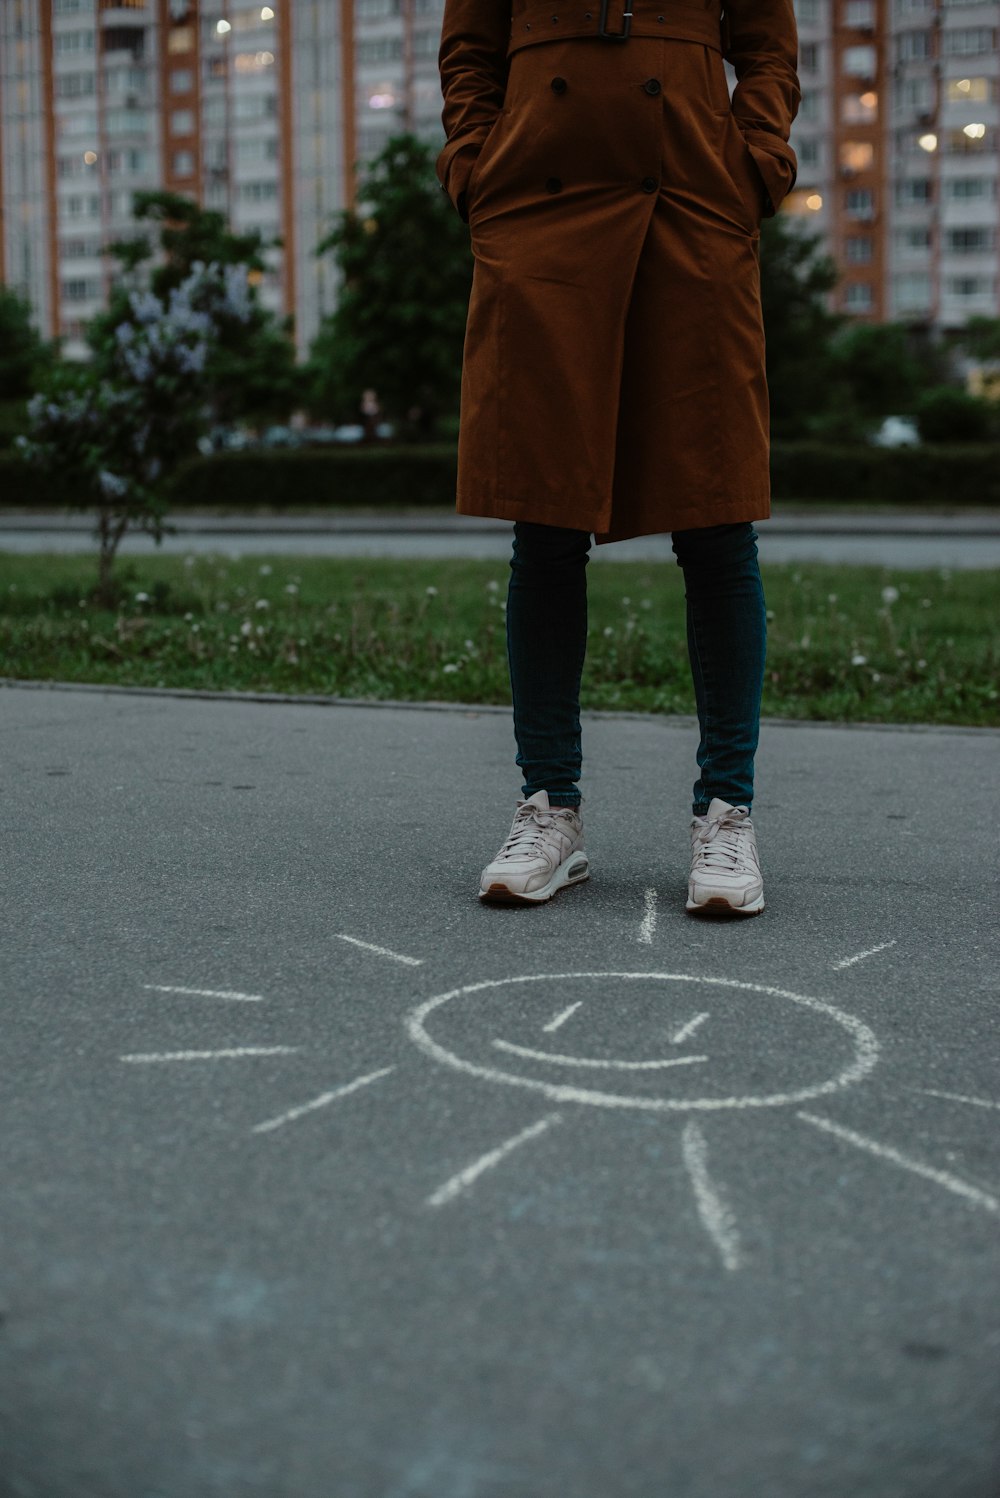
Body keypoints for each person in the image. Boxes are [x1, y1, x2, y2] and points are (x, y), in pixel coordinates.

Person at [436, 0, 800, 915]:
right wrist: (475, 167)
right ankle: (550, 809)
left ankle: (728, 814)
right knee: (546, 517)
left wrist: (753, 162)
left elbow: (769, 48)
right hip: (537, 212)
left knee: (718, 519)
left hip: (692, 201)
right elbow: (469, 54)